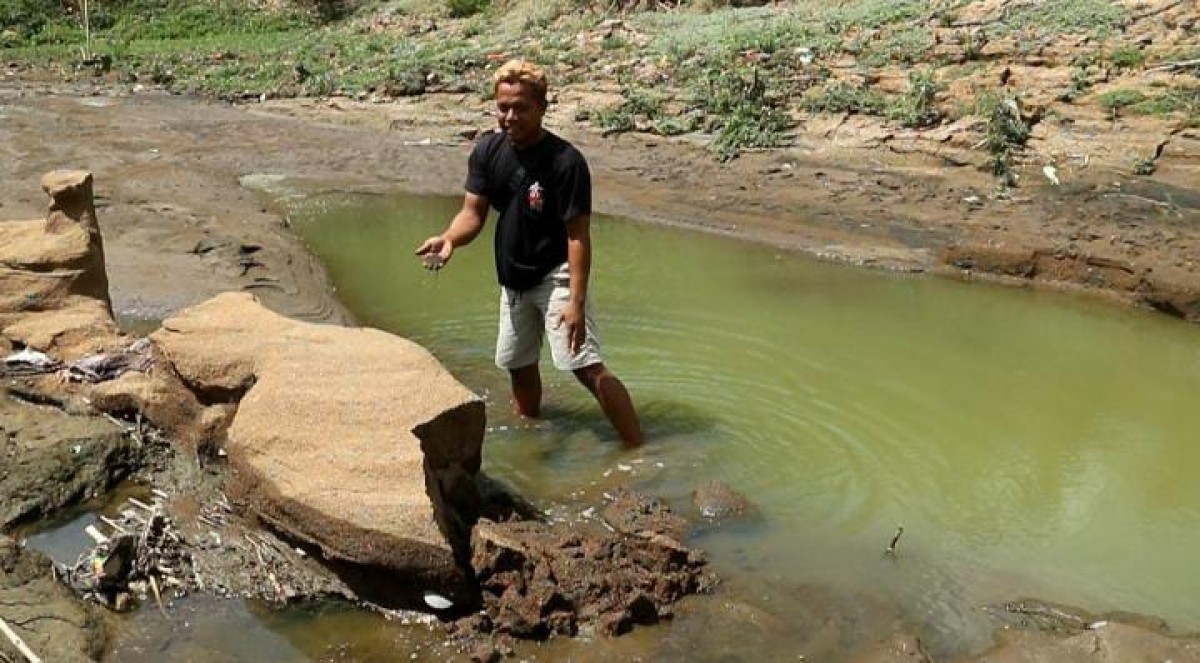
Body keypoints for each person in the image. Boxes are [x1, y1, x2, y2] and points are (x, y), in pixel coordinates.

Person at [415, 59, 644, 447]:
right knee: (518, 366)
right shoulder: (487, 150)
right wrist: (450, 238)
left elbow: (578, 237)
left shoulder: (566, 163)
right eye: (503, 107)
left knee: (584, 366)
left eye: (521, 107)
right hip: (513, 280)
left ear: (542, 107)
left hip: (556, 275)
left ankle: (638, 446)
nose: (510, 116)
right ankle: (532, 434)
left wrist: (576, 300)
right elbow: (472, 213)